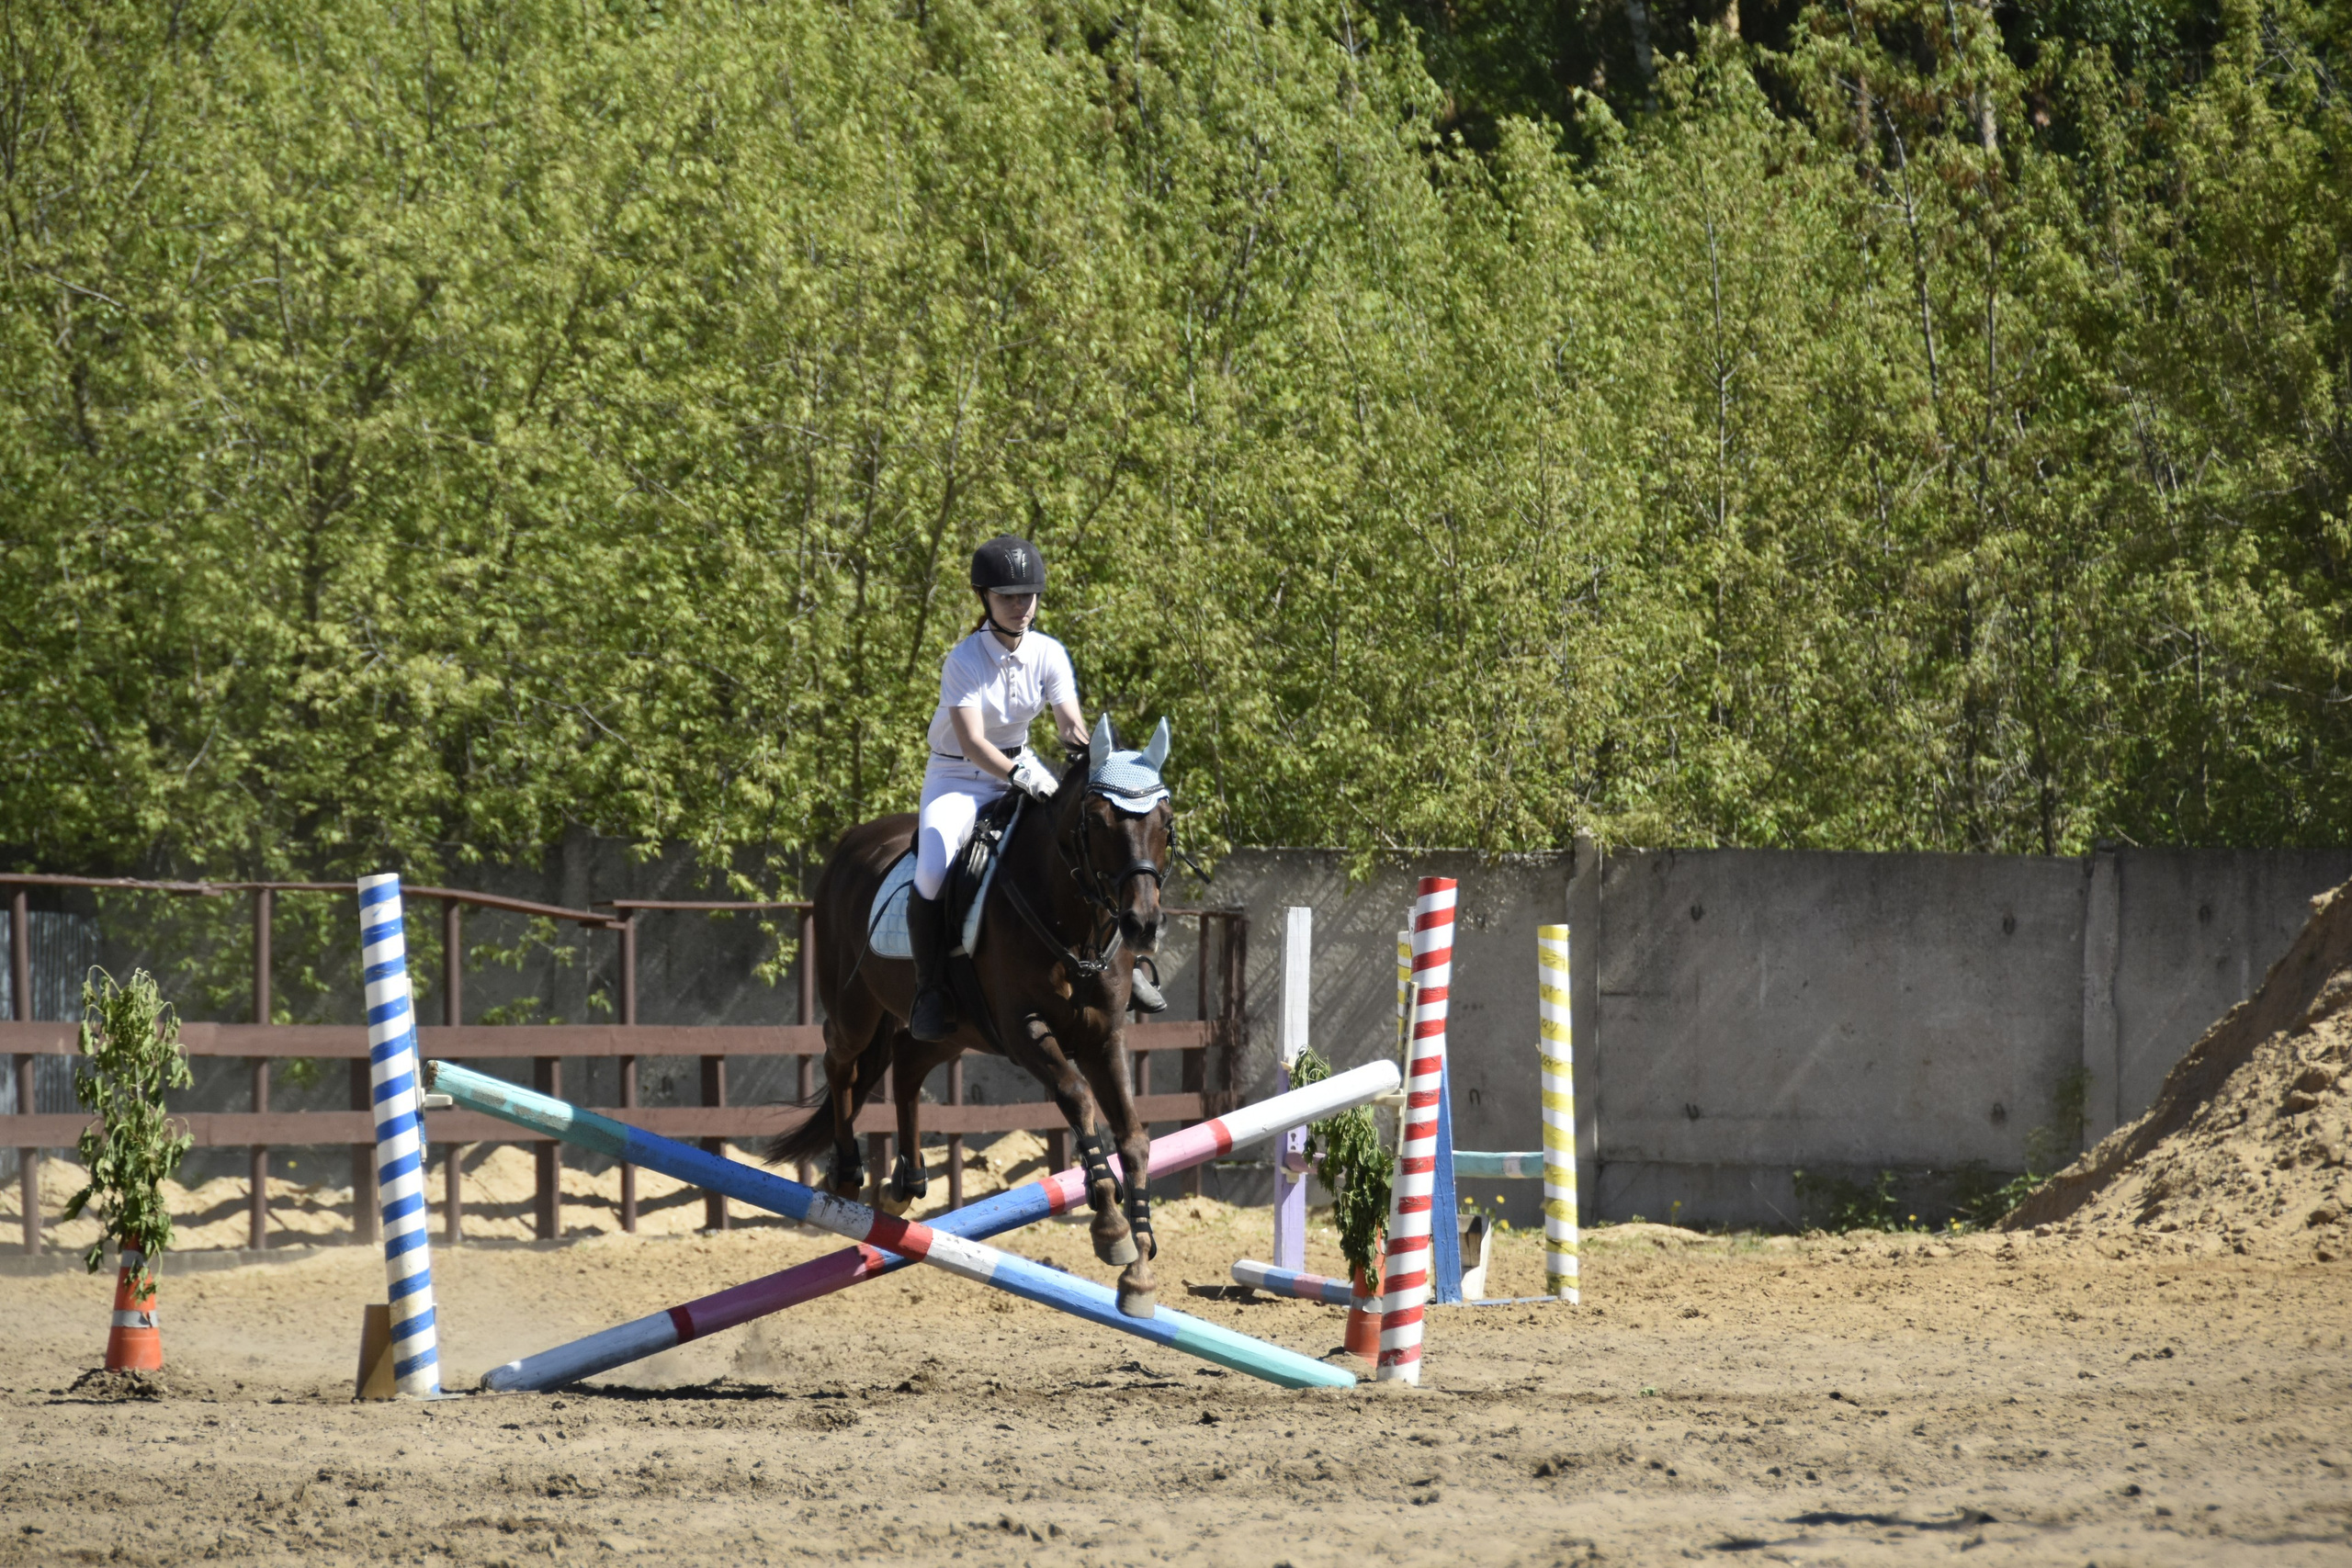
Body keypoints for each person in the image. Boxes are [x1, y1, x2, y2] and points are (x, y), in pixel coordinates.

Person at [909, 535, 1165, 1041]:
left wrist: (1094, 755)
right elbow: (972, 741)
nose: (1021, 607)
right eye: (1008, 597)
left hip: (1022, 764)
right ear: (984, 598)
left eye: (1028, 597)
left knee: (1088, 839)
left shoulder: (1048, 652)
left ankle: (1125, 962)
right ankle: (931, 988)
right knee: (933, 873)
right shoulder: (963, 661)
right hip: (958, 776)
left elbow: (1069, 722)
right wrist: (1017, 774)